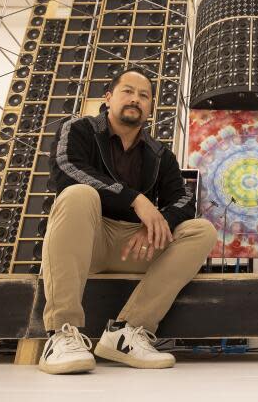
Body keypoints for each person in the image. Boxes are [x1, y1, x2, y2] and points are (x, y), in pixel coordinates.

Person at [39, 67, 217, 374]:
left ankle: (127, 332)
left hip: (135, 245)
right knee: (78, 194)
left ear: (149, 107)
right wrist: (135, 200)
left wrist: (156, 222)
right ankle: (61, 332)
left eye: (144, 95)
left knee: (201, 230)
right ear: (109, 97)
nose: (135, 99)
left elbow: (184, 201)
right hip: (87, 240)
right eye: (127, 91)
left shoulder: (160, 155)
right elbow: (66, 169)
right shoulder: (78, 128)